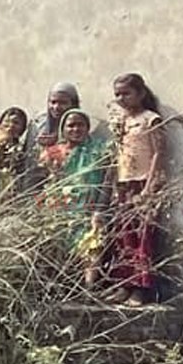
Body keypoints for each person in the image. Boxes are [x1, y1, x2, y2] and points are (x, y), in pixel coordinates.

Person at [106, 73, 165, 305]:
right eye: (117, 94)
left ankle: (141, 289)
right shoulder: (120, 122)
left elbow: (159, 153)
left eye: (126, 93)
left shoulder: (151, 119)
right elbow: (118, 155)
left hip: (143, 183)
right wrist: (114, 186)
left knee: (142, 237)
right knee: (123, 236)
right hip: (124, 183)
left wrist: (149, 188)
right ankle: (124, 285)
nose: (121, 98)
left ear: (140, 93)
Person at [42, 107, 110, 282]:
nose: (76, 129)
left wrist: (100, 208)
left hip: (89, 207)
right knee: (58, 245)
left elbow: (107, 181)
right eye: (71, 126)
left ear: (87, 128)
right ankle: (63, 287)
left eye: (80, 125)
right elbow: (47, 182)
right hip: (61, 208)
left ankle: (90, 289)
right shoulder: (53, 152)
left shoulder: (100, 151)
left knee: (92, 245)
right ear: (63, 129)